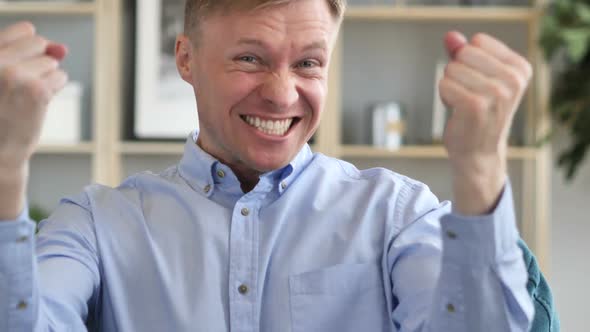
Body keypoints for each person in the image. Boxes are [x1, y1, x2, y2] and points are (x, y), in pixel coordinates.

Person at [0, 0, 536, 331]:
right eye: (250, 58)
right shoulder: (96, 223)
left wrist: (480, 166)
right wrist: (6, 165)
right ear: (185, 58)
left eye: (308, 63)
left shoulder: (396, 215)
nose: (282, 96)